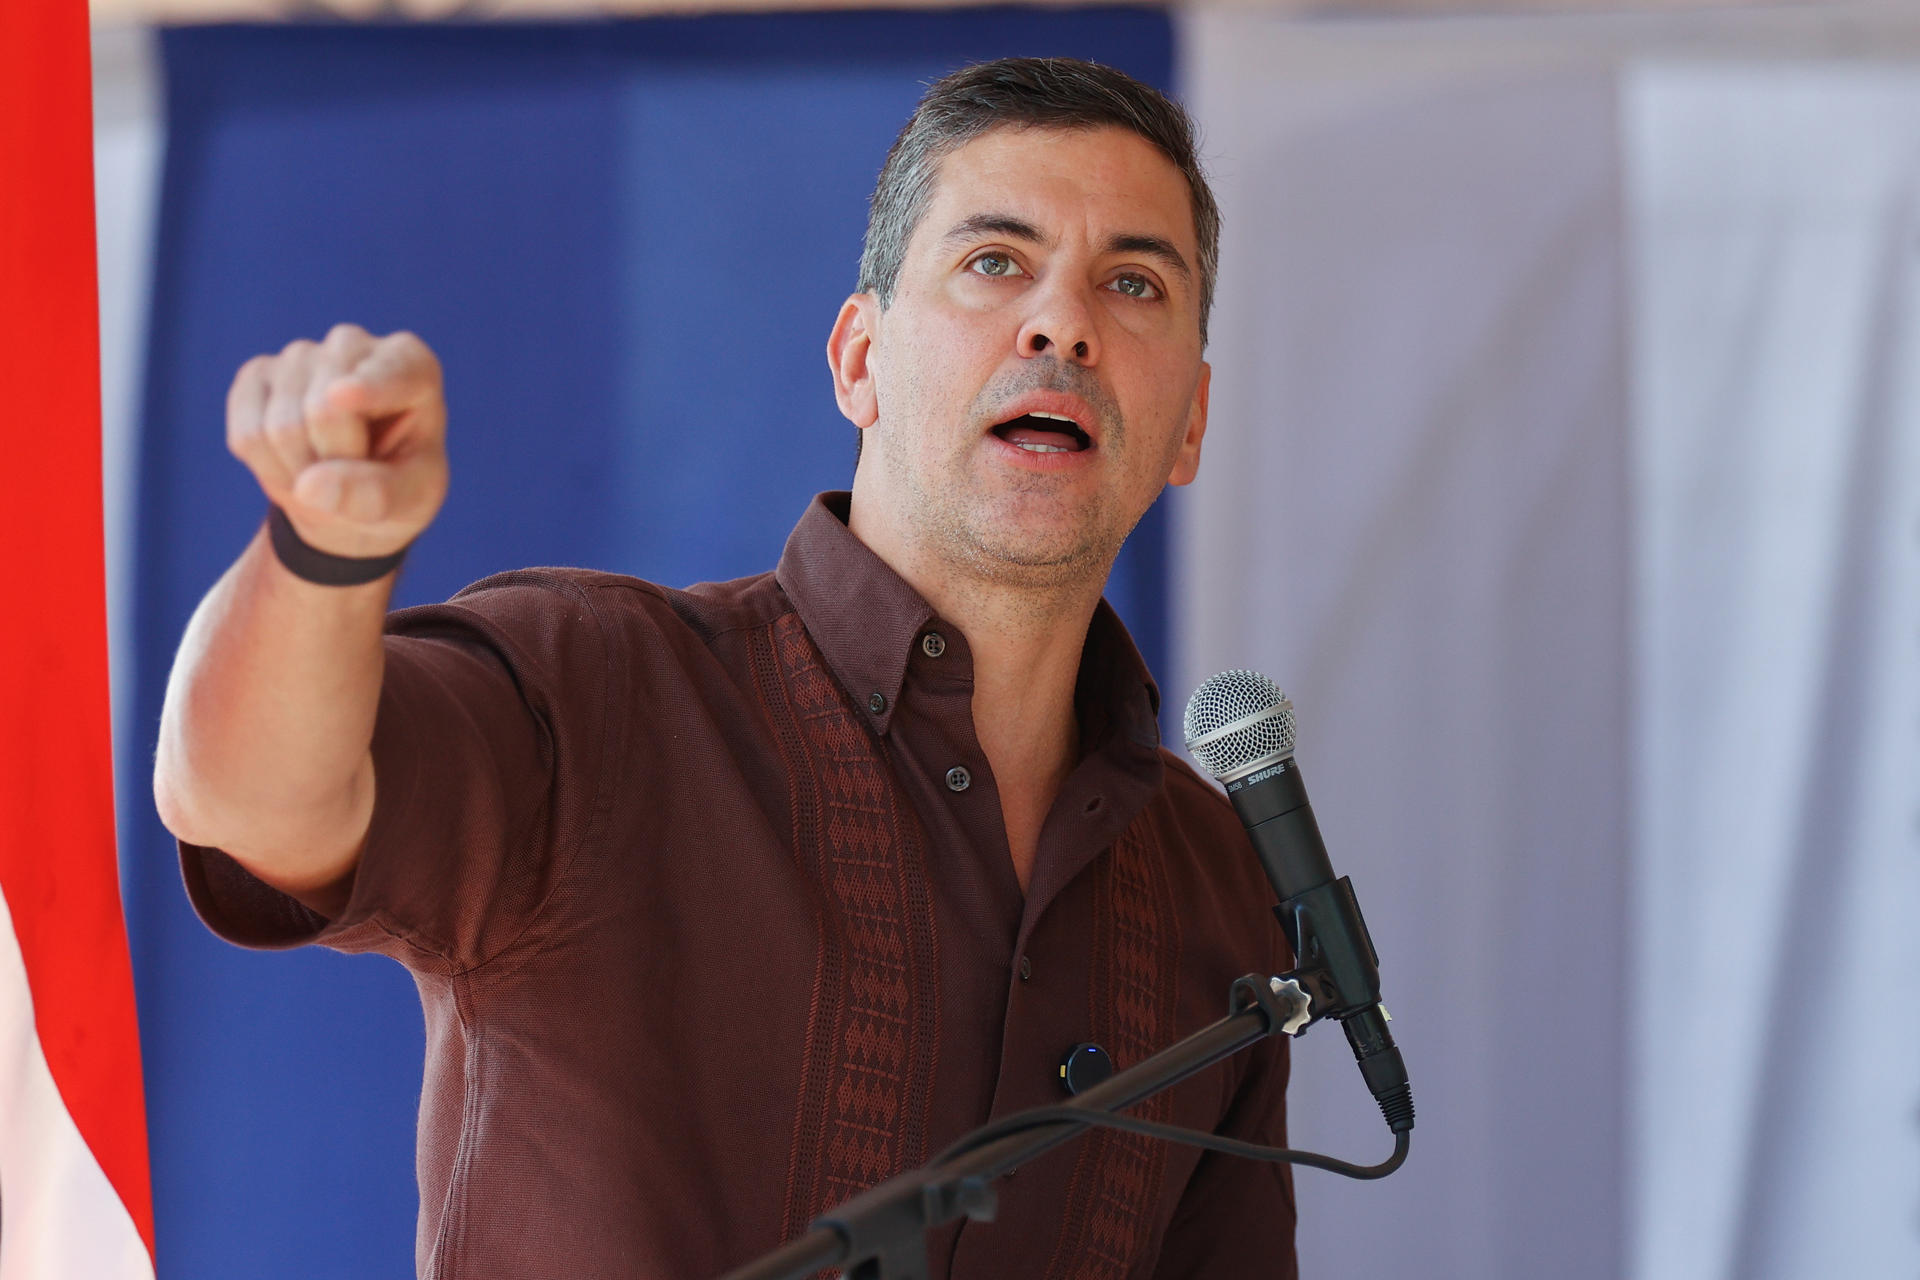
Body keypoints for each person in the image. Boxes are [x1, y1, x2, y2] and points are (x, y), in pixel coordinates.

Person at [154, 57, 1297, 1279]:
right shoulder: (604, 688)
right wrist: (323, 554)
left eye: (1133, 283)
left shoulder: (1215, 877)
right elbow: (247, 800)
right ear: (858, 359)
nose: (1062, 321)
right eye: (995, 261)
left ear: (1190, 421)